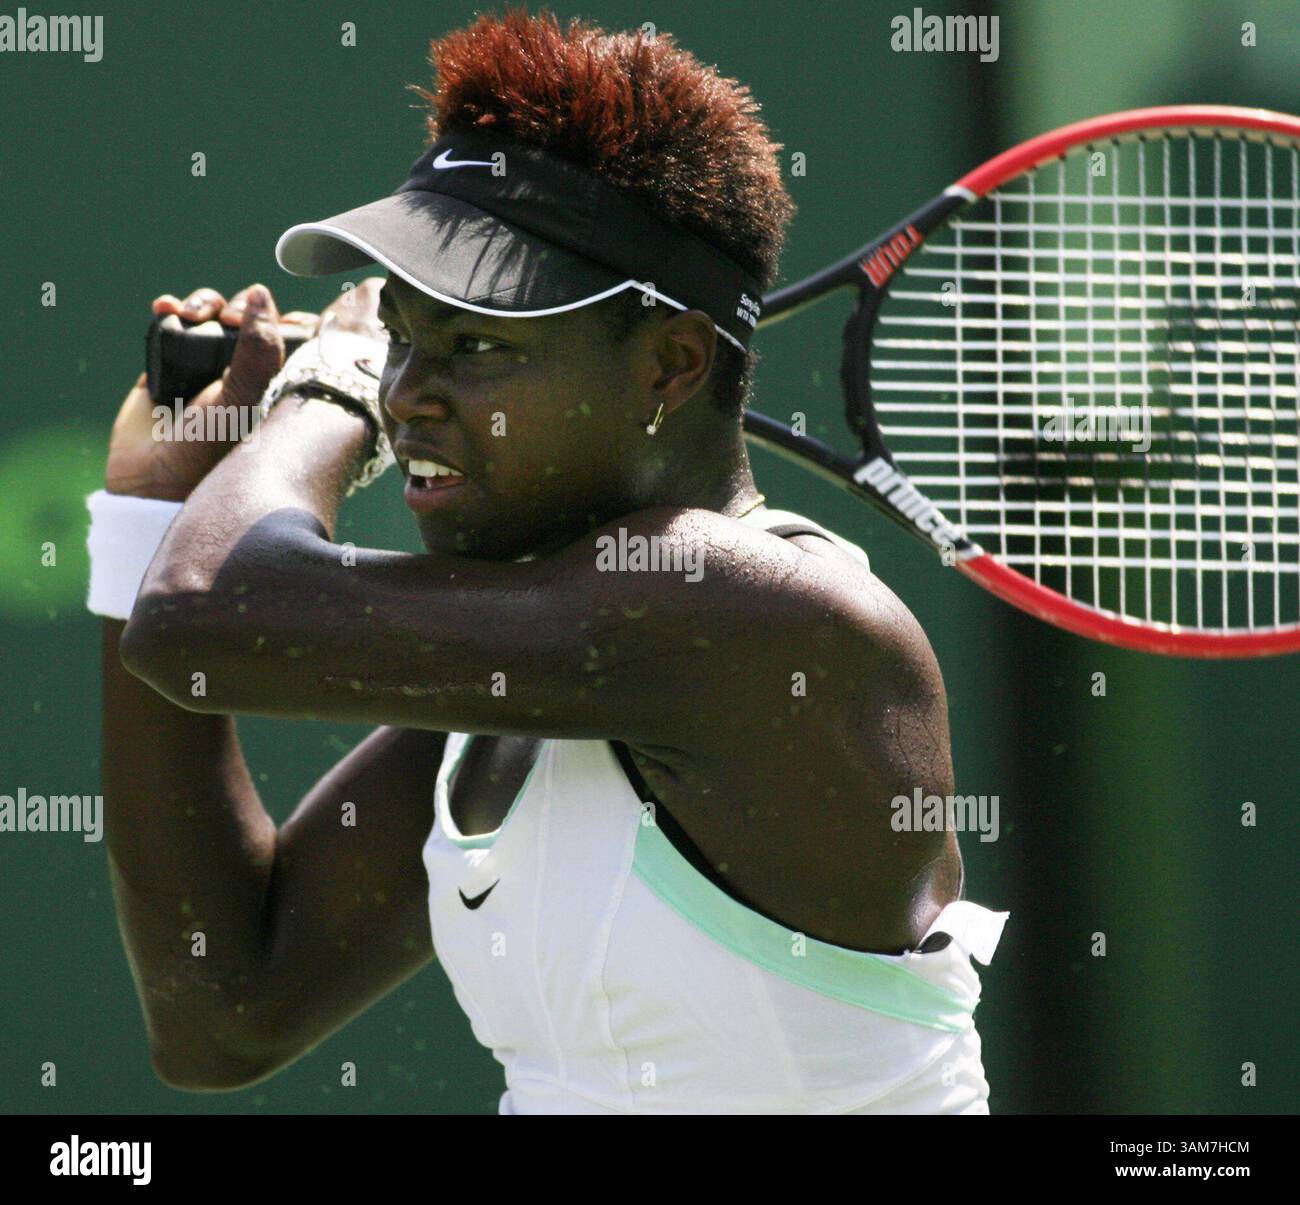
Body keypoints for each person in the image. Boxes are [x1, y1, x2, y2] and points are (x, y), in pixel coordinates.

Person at [91, 7, 1006, 1114]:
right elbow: (223, 1010)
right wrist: (148, 512)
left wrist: (327, 390)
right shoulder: (537, 663)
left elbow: (201, 613)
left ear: (670, 363)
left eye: (476, 344)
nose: (408, 392)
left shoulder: (754, 615)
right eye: (405, 337)